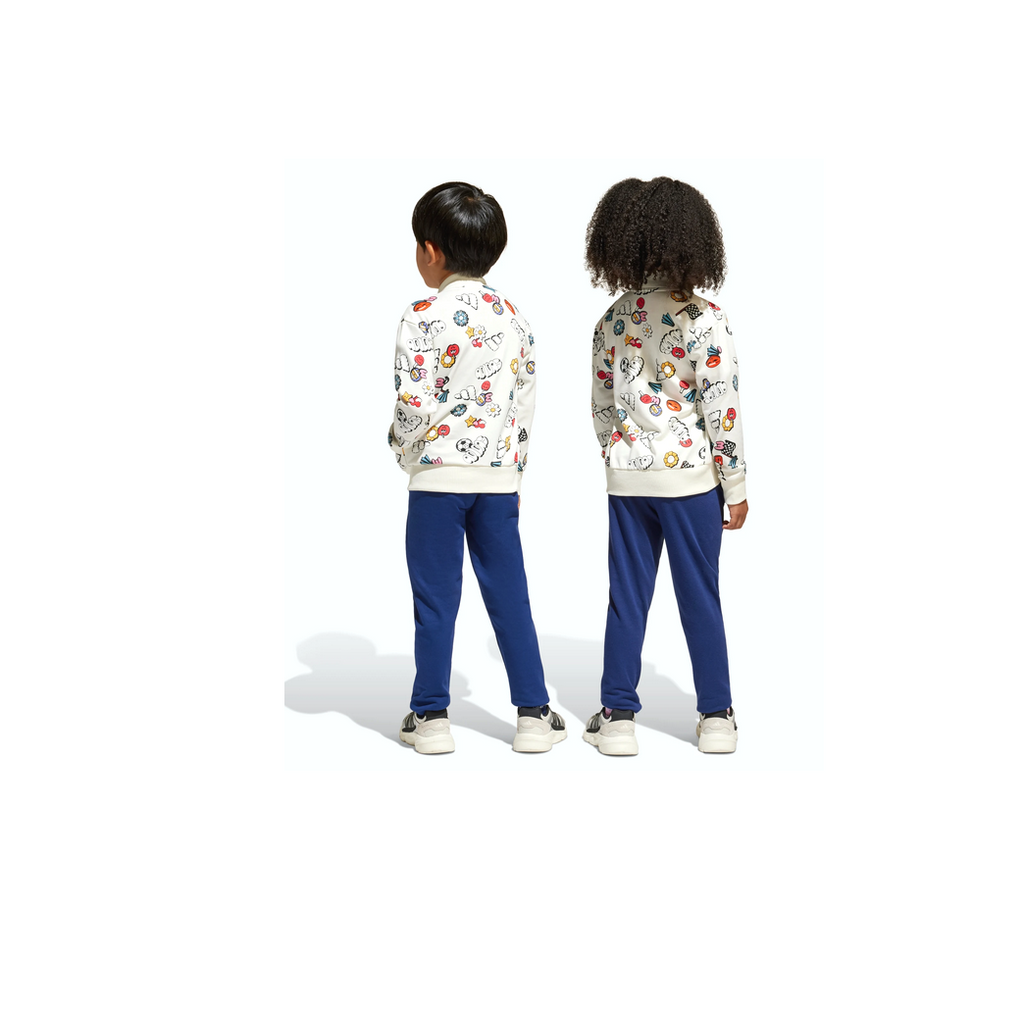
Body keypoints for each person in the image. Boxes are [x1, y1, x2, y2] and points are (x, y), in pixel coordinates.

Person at [388, 181, 566, 755]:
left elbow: (413, 403)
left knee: (435, 600)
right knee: (510, 596)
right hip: (497, 481)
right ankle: (533, 714)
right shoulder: (515, 319)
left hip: (436, 482)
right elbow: (524, 405)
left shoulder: (421, 315)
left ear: (430, 250)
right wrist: (514, 473)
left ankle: (431, 717)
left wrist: (405, 453)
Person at [582, 177, 747, 756]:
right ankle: (717, 717)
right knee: (700, 595)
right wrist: (735, 486)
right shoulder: (706, 319)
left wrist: (618, 454)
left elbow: (602, 405)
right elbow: (721, 409)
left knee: (626, 597)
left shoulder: (612, 320)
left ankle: (617, 717)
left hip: (629, 482)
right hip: (693, 483)